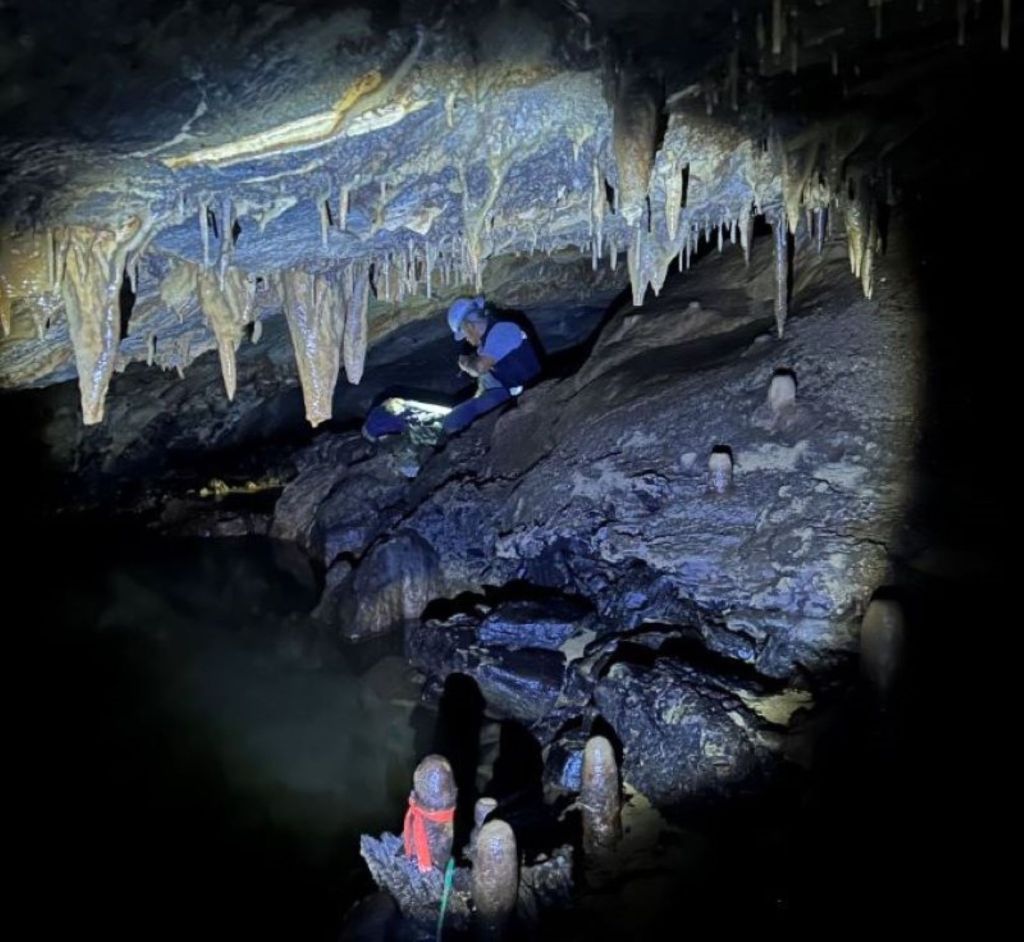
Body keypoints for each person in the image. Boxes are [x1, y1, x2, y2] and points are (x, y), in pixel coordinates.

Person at [442, 295, 541, 435]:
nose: (467, 340)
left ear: (469, 326)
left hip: (532, 388)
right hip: (511, 390)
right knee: (457, 416)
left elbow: (480, 368)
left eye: (465, 335)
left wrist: (466, 364)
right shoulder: (486, 344)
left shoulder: (503, 330)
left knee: (453, 421)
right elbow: (486, 375)